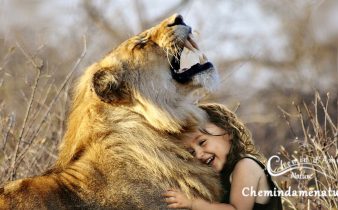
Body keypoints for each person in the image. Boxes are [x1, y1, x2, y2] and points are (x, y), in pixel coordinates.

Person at [163, 103, 282, 210]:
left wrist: (193, 203)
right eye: (191, 152)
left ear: (228, 132)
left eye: (202, 142)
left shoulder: (246, 166)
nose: (199, 154)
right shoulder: (220, 176)